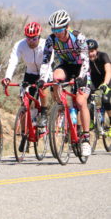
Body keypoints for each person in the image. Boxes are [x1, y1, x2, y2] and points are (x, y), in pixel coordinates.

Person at [37, 9, 92, 157]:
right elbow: (46, 61)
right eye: (54, 29)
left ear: (67, 27)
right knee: (55, 77)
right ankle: (61, 107)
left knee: (81, 102)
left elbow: (86, 60)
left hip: (81, 68)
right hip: (66, 66)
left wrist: (80, 77)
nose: (57, 32)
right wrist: (42, 78)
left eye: (60, 29)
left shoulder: (78, 37)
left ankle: (86, 138)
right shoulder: (51, 40)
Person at [2, 22, 52, 129]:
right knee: (25, 102)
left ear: (39, 36)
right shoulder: (20, 45)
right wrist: (7, 77)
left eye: (34, 39)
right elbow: (13, 61)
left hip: (46, 71)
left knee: (43, 89)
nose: (31, 42)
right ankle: (24, 135)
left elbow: (46, 64)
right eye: (28, 38)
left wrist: (43, 79)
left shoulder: (46, 45)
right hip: (30, 73)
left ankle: (43, 112)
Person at [87, 39, 111, 137]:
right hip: (94, 82)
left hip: (106, 80)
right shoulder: (85, 59)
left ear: (96, 50)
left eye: (92, 51)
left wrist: (105, 84)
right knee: (89, 99)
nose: (90, 54)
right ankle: (92, 120)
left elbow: (108, 71)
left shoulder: (103, 56)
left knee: (105, 100)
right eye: (88, 52)